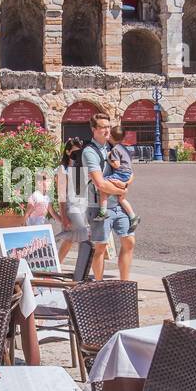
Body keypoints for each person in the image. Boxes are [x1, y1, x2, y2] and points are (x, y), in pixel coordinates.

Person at [82, 113, 135, 281]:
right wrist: (121, 191)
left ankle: (124, 283)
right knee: (101, 248)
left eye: (108, 127)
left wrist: (126, 184)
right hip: (99, 207)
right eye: (102, 127)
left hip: (117, 205)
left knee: (129, 242)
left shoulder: (113, 147)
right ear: (94, 130)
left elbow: (129, 172)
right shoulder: (90, 152)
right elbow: (100, 184)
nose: (106, 130)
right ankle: (99, 283)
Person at [94, 126, 139, 233]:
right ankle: (133, 216)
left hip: (120, 174)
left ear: (111, 137)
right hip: (127, 174)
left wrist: (108, 158)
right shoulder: (124, 148)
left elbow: (117, 165)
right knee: (121, 198)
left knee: (103, 186)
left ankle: (103, 212)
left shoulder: (114, 149)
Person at [54, 138, 88, 266]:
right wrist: (63, 216)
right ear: (68, 152)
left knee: (69, 240)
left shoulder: (81, 168)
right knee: (82, 237)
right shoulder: (63, 169)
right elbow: (61, 195)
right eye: (75, 152)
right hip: (71, 209)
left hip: (83, 207)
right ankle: (81, 268)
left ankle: (56, 266)